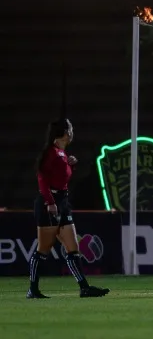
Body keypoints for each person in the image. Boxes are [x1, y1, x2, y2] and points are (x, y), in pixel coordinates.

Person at [28, 118, 109, 299]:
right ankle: (32, 289)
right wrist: (50, 203)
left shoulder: (61, 154)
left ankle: (84, 288)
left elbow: (60, 176)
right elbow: (42, 179)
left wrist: (69, 165)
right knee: (43, 249)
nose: (72, 132)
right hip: (50, 203)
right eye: (70, 129)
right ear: (65, 133)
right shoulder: (51, 152)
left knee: (73, 248)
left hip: (63, 202)